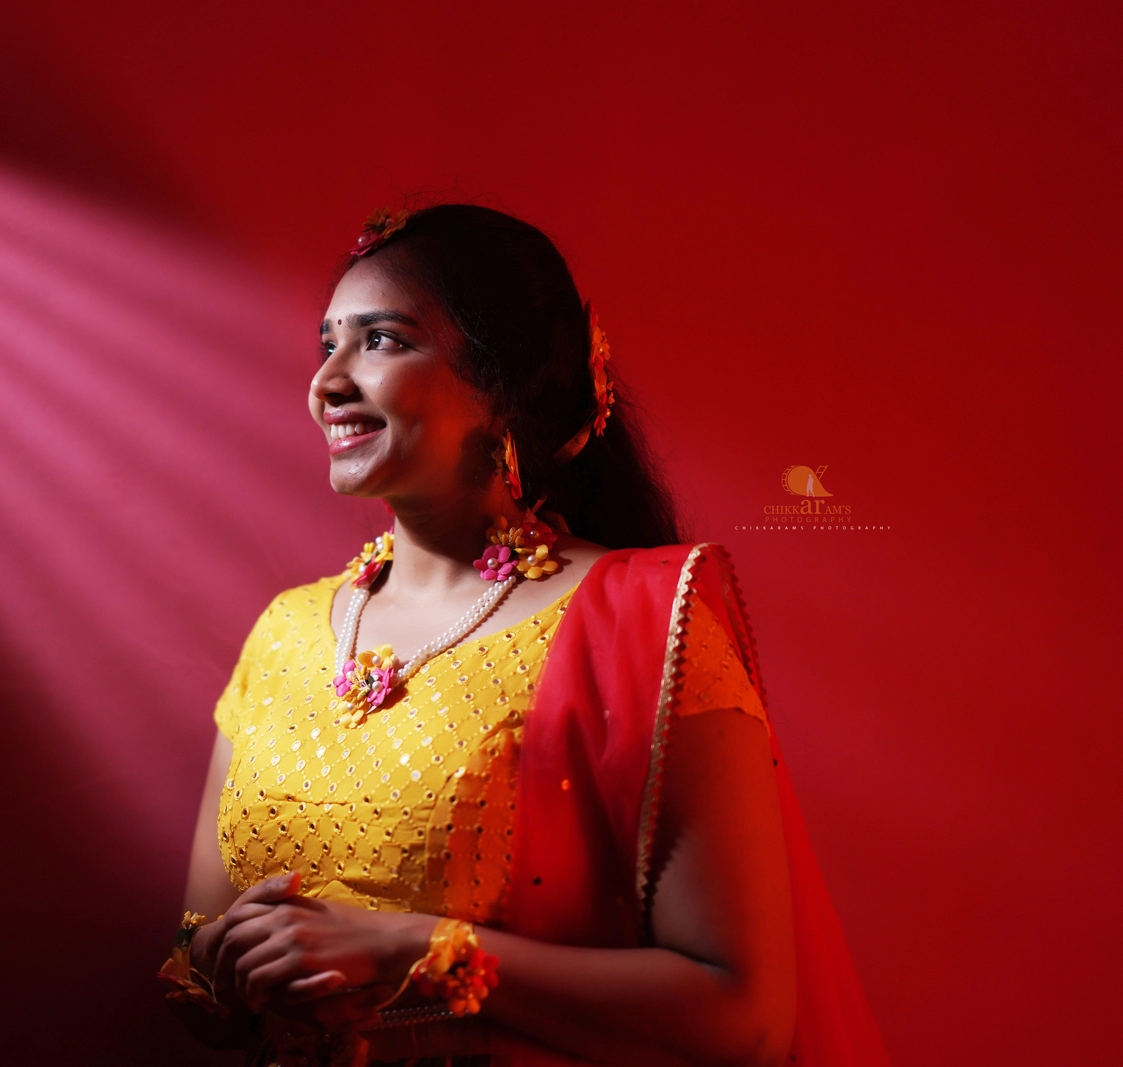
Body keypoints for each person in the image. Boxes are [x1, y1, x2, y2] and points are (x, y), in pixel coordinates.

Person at [162, 204, 888, 1066]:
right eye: (328, 344)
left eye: (383, 340)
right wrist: (223, 962)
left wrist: (410, 948)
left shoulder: (639, 618)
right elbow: (196, 968)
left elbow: (744, 1020)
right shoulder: (286, 632)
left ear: (499, 384)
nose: (328, 381)